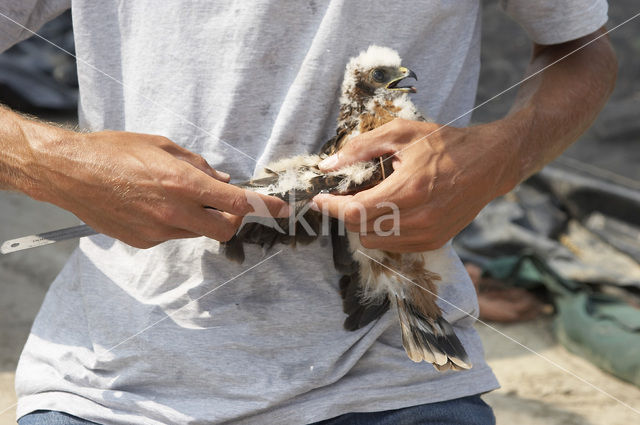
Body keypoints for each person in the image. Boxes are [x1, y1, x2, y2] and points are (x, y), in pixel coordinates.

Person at [0, 1, 616, 424]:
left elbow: (582, 52)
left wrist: (499, 156)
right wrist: (56, 161)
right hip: (114, 385)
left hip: (393, 380)